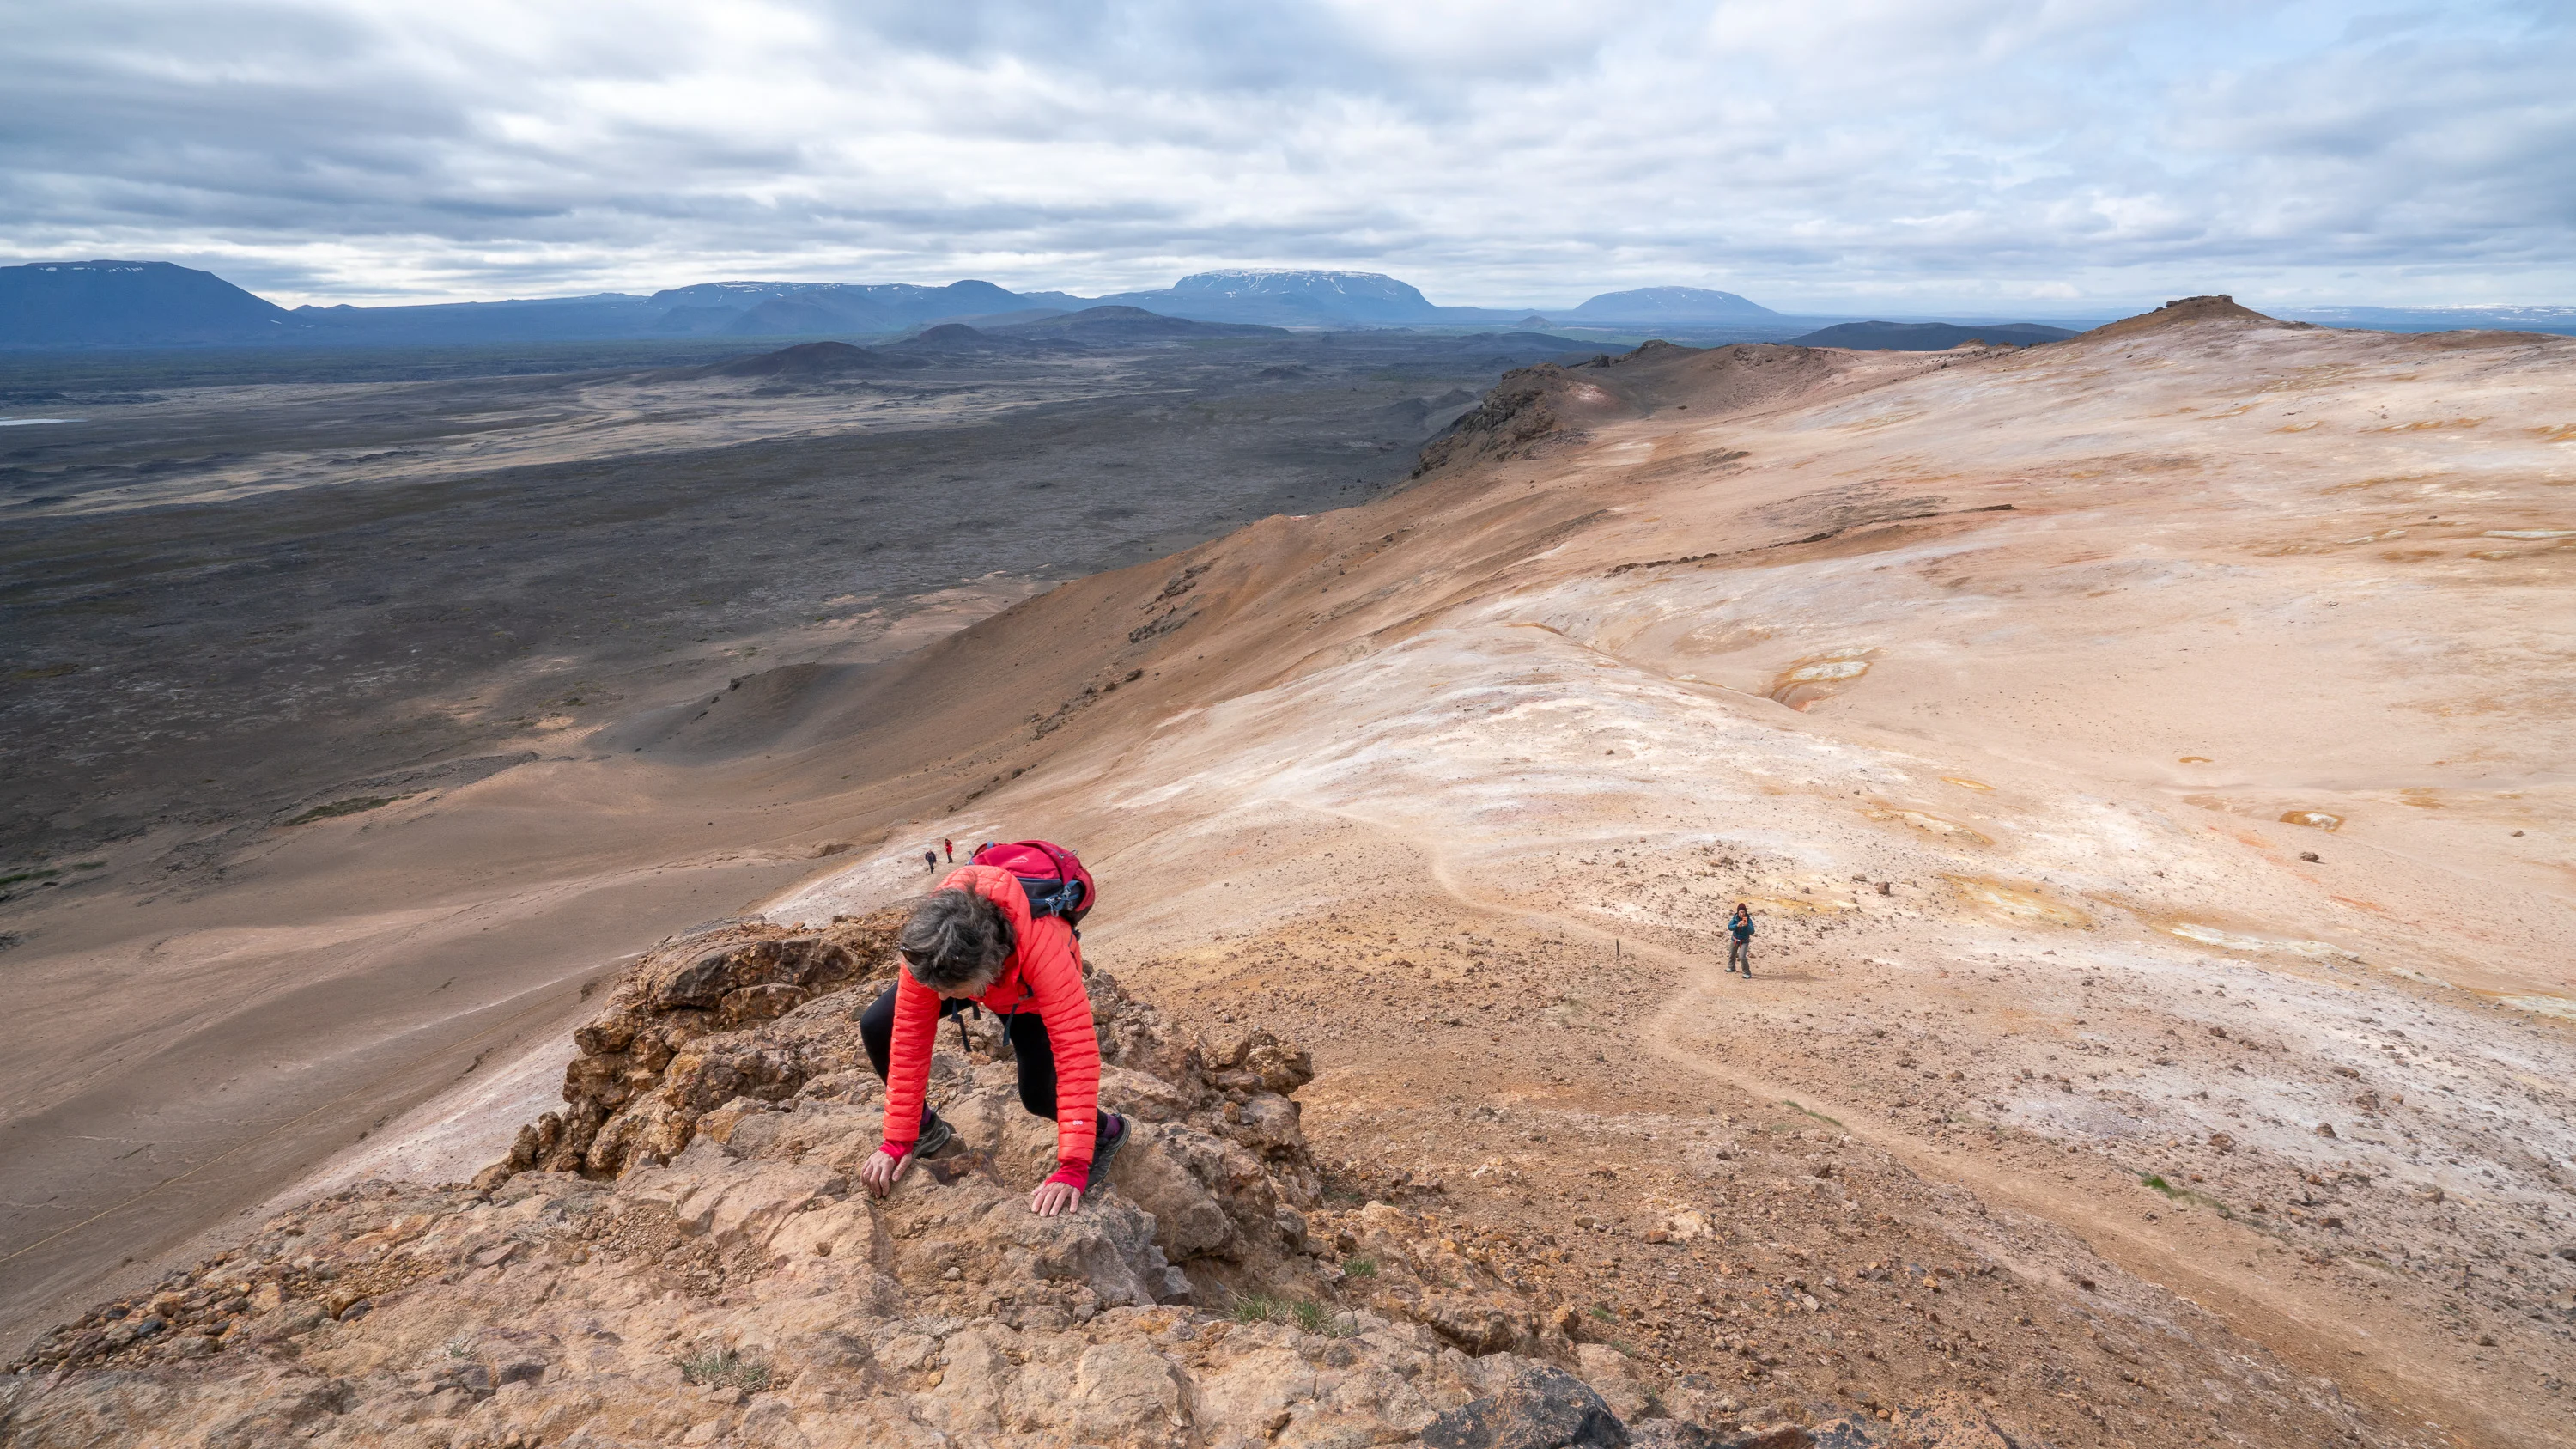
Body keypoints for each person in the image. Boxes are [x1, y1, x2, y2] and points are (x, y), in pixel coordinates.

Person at [856, 863, 1128, 1216]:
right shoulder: (930, 943)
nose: (938, 999)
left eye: (947, 993)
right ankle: (926, 1129)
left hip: (1026, 994)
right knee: (879, 1025)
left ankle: (1108, 1132)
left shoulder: (1043, 950)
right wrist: (898, 1139)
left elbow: (1076, 1053)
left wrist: (1074, 1165)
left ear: (988, 970)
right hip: (968, 966)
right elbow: (909, 1040)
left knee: (1040, 1095)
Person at [1726, 904, 1754, 977]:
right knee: (1732, 953)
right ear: (1738, 912)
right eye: (1740, 912)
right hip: (1735, 939)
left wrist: (1747, 925)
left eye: (1743, 912)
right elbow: (1729, 927)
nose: (1742, 914)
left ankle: (1747, 972)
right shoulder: (1735, 919)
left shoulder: (1749, 920)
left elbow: (1752, 931)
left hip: (1744, 941)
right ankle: (1731, 967)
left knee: (1742, 957)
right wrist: (1737, 925)